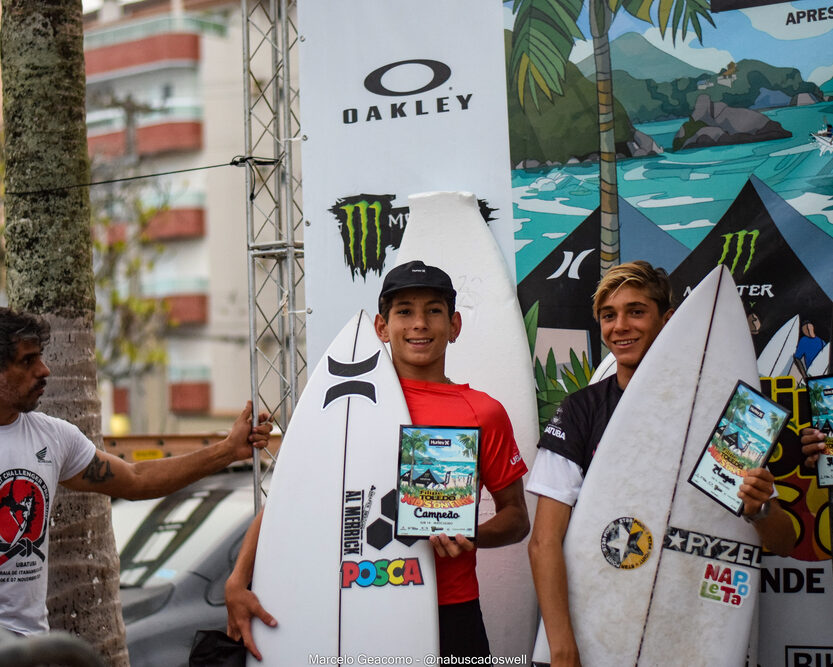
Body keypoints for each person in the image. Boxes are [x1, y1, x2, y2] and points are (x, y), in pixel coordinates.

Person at [225, 260, 530, 660]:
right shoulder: (346, 408)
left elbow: (517, 518)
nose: (419, 323)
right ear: (382, 328)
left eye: (433, 311)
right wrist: (237, 580)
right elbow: (286, 503)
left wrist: (474, 535)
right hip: (363, 603)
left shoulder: (482, 412)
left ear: (454, 325)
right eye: (404, 311)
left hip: (452, 608)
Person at [525, 261, 796, 666]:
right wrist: (561, 647)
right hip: (597, 625)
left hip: (686, 629)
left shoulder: (723, 419)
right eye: (608, 315)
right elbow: (544, 541)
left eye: (636, 311)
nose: (620, 326)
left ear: (668, 320)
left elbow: (784, 541)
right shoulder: (581, 410)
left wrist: (761, 509)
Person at [0, 308, 273, 636]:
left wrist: (228, 450)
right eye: (27, 361)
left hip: (30, 648)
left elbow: (136, 479)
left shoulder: (52, 437)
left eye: (40, 357)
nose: (44, 370)